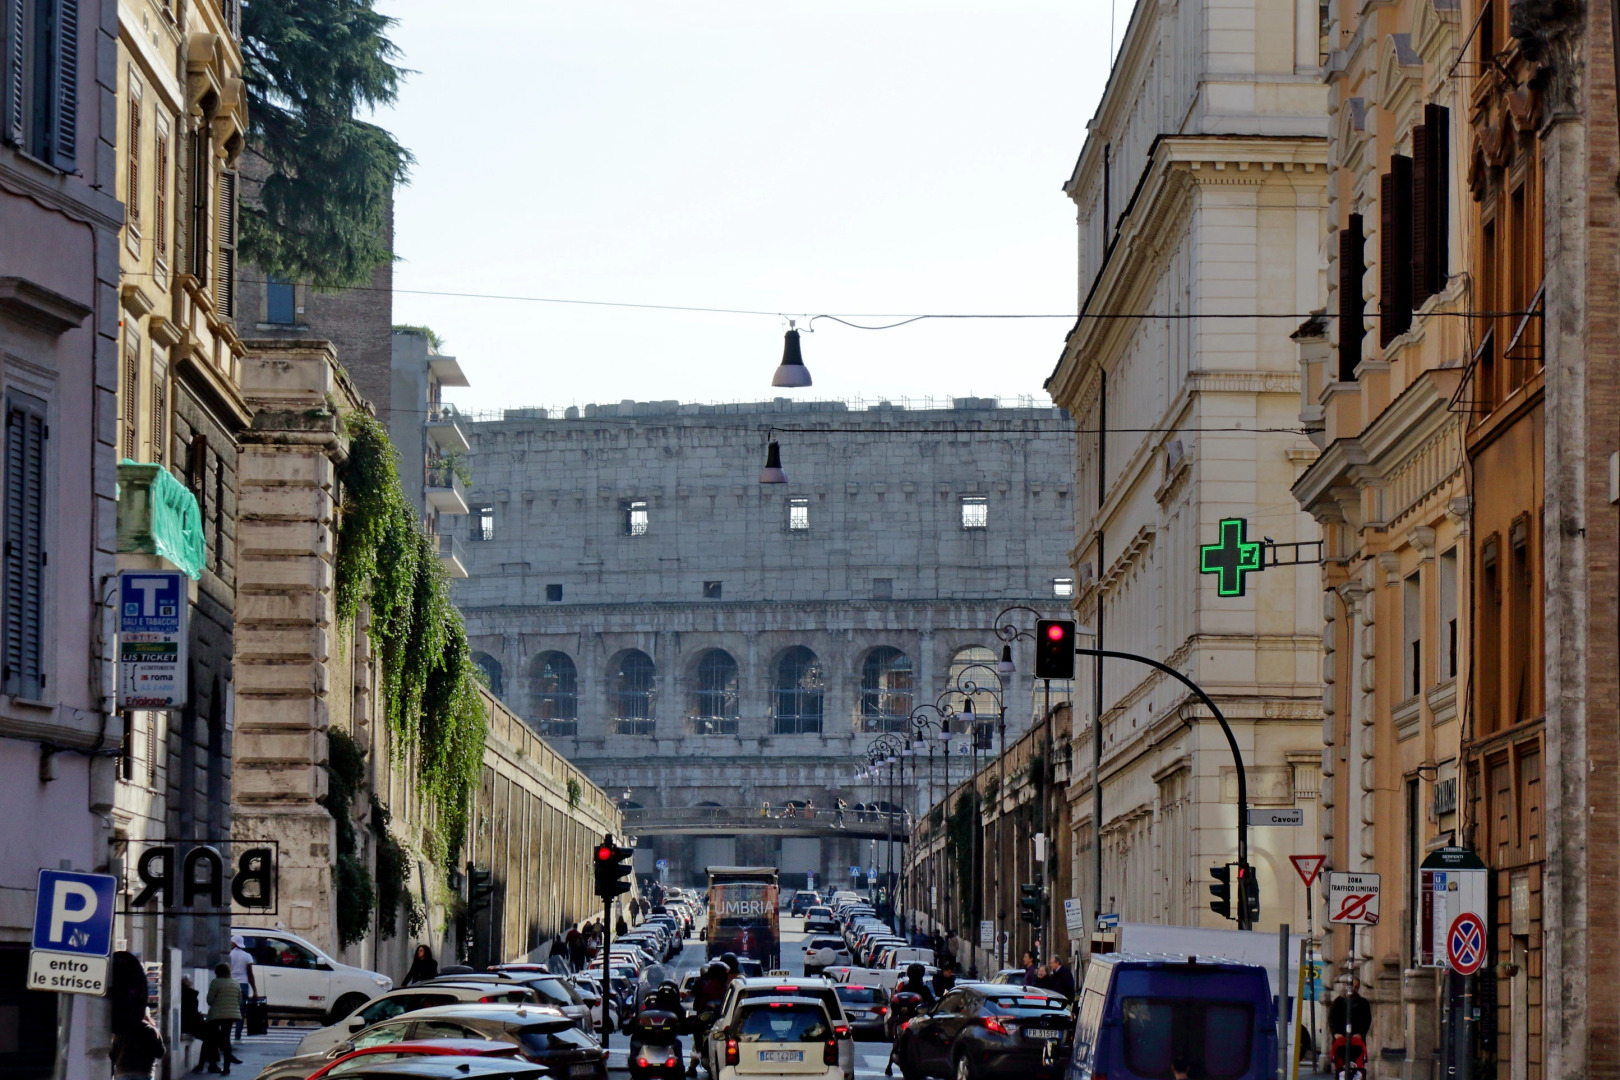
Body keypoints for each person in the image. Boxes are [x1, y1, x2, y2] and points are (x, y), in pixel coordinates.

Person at [203, 962, 243, 1074]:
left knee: (211, 1038)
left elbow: (210, 1000)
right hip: (231, 1015)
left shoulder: (215, 982)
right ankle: (226, 1068)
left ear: (217, 973)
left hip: (216, 1015)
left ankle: (213, 1064)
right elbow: (239, 1000)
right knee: (226, 1039)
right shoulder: (236, 983)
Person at [110, 1009, 165, 1080]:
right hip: (144, 1072)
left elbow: (112, 1055)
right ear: (147, 1016)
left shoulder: (121, 1031)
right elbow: (160, 1053)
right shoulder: (151, 1031)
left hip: (122, 1073)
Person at [228, 935, 257, 1039]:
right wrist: (255, 991)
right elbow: (250, 974)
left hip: (231, 984)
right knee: (241, 1012)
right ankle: (237, 1035)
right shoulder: (247, 956)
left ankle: (227, 1034)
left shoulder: (229, 955)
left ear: (234, 943)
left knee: (230, 1011)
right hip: (244, 985)